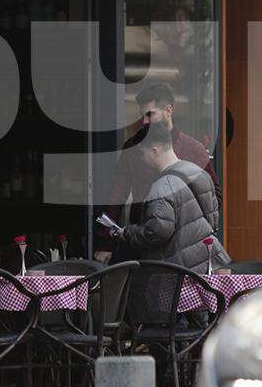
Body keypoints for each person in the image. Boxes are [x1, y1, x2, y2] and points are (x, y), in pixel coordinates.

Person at [95, 82, 218, 262]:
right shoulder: (134, 146)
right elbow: (117, 194)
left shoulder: (194, 149)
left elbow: (214, 197)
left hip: (183, 248)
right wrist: (106, 243)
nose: (144, 121)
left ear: (168, 110)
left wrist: (195, 232)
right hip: (142, 241)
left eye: (150, 114)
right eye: (142, 115)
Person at [117, 121, 230, 270]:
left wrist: (127, 232)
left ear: (154, 151)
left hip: (179, 270)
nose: (142, 159)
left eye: (142, 154)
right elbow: (213, 218)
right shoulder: (200, 173)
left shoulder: (161, 187)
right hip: (209, 261)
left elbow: (157, 232)